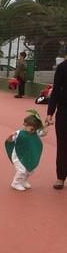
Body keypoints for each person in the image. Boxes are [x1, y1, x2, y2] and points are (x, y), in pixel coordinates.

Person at [5, 111, 46, 191]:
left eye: (35, 130)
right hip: (19, 156)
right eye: (31, 129)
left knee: (30, 170)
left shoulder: (34, 132)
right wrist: (10, 137)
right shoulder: (19, 133)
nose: (33, 131)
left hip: (28, 155)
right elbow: (10, 141)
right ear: (25, 125)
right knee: (22, 170)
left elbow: (43, 133)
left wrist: (47, 126)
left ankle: (23, 181)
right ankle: (15, 183)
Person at [45, 55, 67, 189]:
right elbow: (56, 91)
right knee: (63, 144)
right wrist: (50, 112)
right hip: (64, 111)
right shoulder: (62, 67)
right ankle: (60, 177)